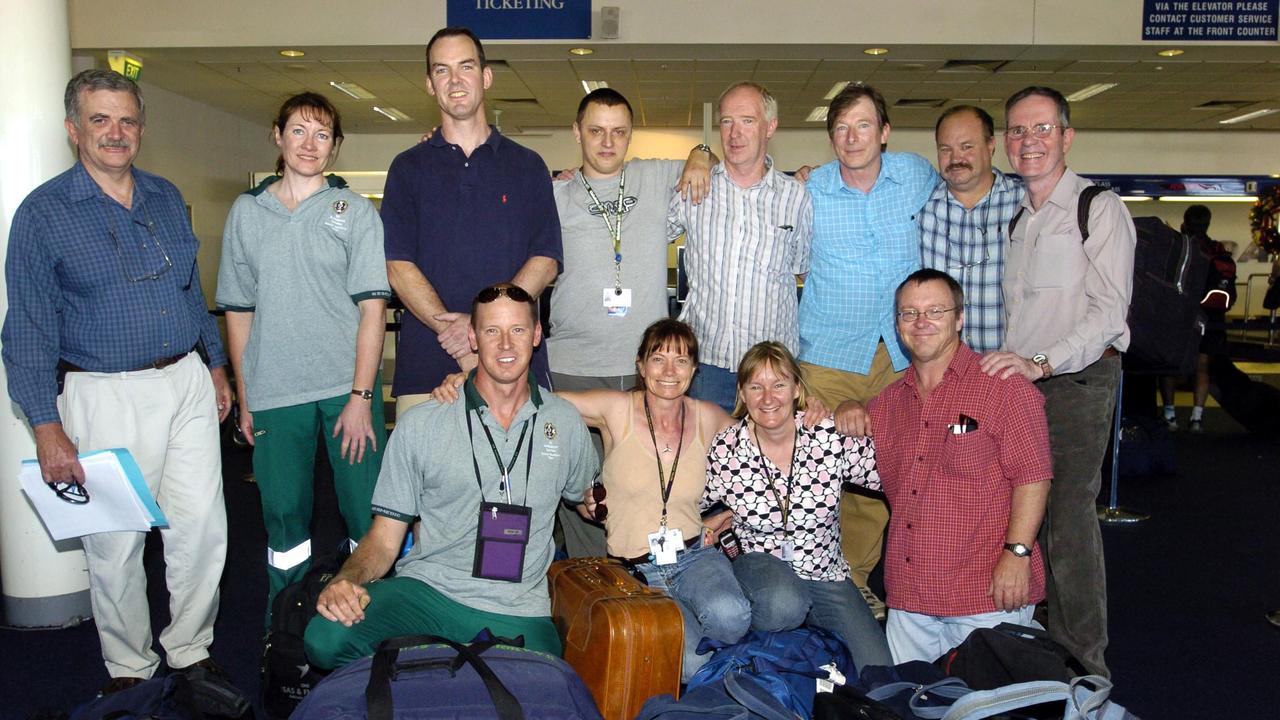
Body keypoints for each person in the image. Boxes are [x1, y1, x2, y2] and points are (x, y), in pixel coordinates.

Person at [1, 69, 237, 697]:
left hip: (185, 381)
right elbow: (25, 331)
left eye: (127, 120)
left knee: (202, 527)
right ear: (73, 128)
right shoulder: (43, 215)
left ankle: (190, 648)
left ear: (141, 129)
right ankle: (130, 667)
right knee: (115, 542)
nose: (115, 133)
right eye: (100, 120)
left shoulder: (163, 195)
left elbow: (191, 291)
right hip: (102, 392)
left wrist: (214, 365)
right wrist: (46, 429)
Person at [436, 319, 751, 680]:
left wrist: (724, 515)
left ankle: (705, 646)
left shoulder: (708, 417)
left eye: (680, 361)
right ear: (640, 365)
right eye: (657, 358)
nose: (668, 371)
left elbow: (763, 445)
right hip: (636, 569)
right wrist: (476, 381)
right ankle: (702, 654)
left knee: (734, 617)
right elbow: (536, 397)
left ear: (694, 370)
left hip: (694, 556)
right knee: (690, 662)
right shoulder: (616, 409)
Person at [303, 284, 597, 668]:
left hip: (519, 606)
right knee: (325, 638)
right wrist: (349, 580)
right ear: (472, 337)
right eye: (492, 331)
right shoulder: (423, 423)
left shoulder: (564, 421)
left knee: (545, 685)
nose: (506, 344)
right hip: (429, 592)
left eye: (518, 330)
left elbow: (587, 499)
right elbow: (385, 539)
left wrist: (601, 503)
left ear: (537, 334)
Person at [216, 92, 391, 621]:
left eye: (321, 135)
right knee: (284, 519)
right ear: (277, 136)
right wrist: (248, 400)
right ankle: (286, 616)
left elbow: (372, 310)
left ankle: (375, 618)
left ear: (335, 147)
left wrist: (362, 397)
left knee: (367, 513)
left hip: (346, 392)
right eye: (298, 131)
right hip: (275, 393)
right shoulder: (247, 214)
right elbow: (239, 313)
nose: (309, 144)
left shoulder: (355, 212)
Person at [981, 86, 1135, 678]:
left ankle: (1086, 663)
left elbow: (1108, 314)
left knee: (1068, 516)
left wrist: (1042, 363)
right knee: (1028, 515)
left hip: (1075, 383)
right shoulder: (1022, 218)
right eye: (1018, 132)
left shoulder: (1098, 208)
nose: (1029, 141)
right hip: (1026, 387)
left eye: (1042, 129)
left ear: (1066, 137)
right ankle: (1044, 642)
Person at [549, 88, 715, 557]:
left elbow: (713, 155)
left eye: (619, 132)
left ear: (630, 136)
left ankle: (644, 575)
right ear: (577, 133)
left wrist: (701, 154)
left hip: (647, 369)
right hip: (574, 364)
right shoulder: (555, 195)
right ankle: (590, 583)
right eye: (596, 131)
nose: (607, 142)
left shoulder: (655, 175)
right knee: (580, 485)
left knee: (645, 479)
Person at [796, 84, 938, 619]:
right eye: (840, 128)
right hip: (828, 354)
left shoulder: (917, 177)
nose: (850, 137)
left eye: (861, 126)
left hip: (901, 357)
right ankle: (804, 585)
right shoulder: (808, 190)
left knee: (884, 471)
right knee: (816, 470)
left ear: (883, 132)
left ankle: (856, 584)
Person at [869, 269, 1052, 663]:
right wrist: (845, 409)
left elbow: (1034, 476)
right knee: (911, 702)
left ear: (959, 319)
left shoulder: (1004, 386)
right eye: (908, 313)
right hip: (909, 596)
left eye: (935, 310)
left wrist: (1017, 555)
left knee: (984, 707)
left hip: (984, 592)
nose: (921, 323)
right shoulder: (886, 405)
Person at [382, 26, 561, 414]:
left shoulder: (528, 166)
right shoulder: (406, 169)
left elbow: (545, 261)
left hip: (515, 368)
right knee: (427, 476)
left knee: (524, 475)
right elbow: (397, 267)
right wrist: (459, 332)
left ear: (486, 76)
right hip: (427, 368)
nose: (455, 80)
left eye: (466, 66)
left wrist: (486, 329)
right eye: (442, 70)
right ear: (430, 84)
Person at [702, 342, 892, 674]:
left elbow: (896, 477)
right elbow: (682, 499)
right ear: (743, 394)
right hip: (762, 576)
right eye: (756, 387)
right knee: (783, 604)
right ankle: (755, 654)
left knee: (877, 671)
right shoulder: (727, 449)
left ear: (797, 389)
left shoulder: (828, 436)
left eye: (779, 384)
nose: (768, 397)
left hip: (825, 574)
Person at [667, 81, 813, 413]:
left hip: (770, 372)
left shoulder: (796, 197)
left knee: (771, 463)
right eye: (727, 121)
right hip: (706, 367)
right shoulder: (694, 189)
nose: (735, 133)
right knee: (703, 462)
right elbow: (642, 227)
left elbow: (801, 268)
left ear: (770, 127)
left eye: (747, 120)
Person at [919, 105, 1024, 354]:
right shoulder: (921, 209)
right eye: (946, 149)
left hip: (1010, 367)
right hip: (942, 372)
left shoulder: (1025, 205)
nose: (956, 158)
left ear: (991, 145)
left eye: (967, 147)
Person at [1159, 204, 1236, 432]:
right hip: (1212, 318)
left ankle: (1170, 416)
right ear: (1208, 224)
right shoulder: (1218, 251)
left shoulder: (1181, 247)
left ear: (1185, 222)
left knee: (1169, 365)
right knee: (1203, 366)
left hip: (1180, 316)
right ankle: (1196, 418)